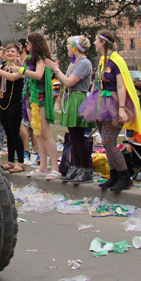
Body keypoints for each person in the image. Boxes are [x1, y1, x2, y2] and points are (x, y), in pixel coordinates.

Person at [79, 30, 141, 192]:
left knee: (108, 141)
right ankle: (114, 175)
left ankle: (124, 176)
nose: (94, 43)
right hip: (100, 102)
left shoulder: (116, 61)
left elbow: (121, 86)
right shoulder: (101, 61)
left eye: (96, 40)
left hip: (113, 103)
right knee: (106, 141)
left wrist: (122, 108)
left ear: (103, 43)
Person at [8, 32, 60, 179]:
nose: (26, 45)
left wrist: (21, 70)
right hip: (30, 99)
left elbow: (37, 75)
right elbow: (27, 76)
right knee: (37, 132)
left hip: (40, 100)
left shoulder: (41, 59)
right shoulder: (30, 60)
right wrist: (20, 67)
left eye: (29, 43)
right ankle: (42, 166)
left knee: (45, 133)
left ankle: (55, 167)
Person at [45, 36, 94, 184]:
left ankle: (86, 169)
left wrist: (56, 69)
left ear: (75, 47)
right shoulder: (75, 63)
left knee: (79, 137)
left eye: (68, 44)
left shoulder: (84, 63)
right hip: (71, 98)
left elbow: (69, 81)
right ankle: (77, 166)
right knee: (73, 137)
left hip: (78, 98)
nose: (66, 46)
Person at [0, 43, 25, 172]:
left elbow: (11, 77)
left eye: (13, 51)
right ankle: (10, 161)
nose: (10, 53)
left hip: (15, 103)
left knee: (14, 132)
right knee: (8, 134)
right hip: (3, 103)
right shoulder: (3, 66)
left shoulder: (20, 68)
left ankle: (20, 162)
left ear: (18, 54)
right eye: (8, 51)